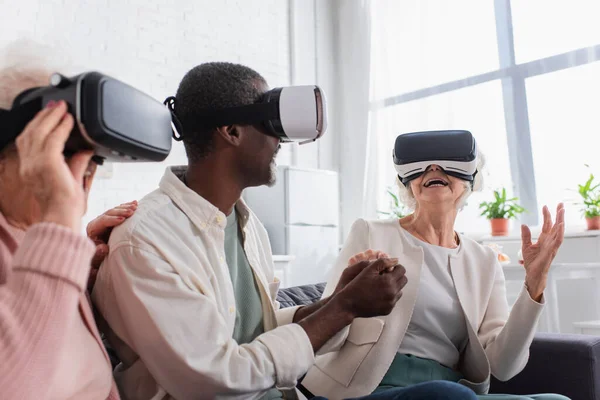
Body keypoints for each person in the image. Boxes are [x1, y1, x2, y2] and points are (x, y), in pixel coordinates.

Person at [92, 62, 477, 400]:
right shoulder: (145, 240)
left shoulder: (245, 223)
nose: (280, 141)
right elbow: (215, 381)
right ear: (231, 130)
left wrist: (337, 299)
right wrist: (344, 308)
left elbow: (257, 329)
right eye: (270, 123)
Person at [302, 134, 569, 400]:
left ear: (471, 180)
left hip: (452, 389)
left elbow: (503, 366)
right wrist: (348, 294)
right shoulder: (370, 233)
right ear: (407, 182)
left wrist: (535, 282)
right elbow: (324, 338)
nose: (433, 169)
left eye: (447, 161)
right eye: (421, 163)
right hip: (369, 387)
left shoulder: (484, 261)